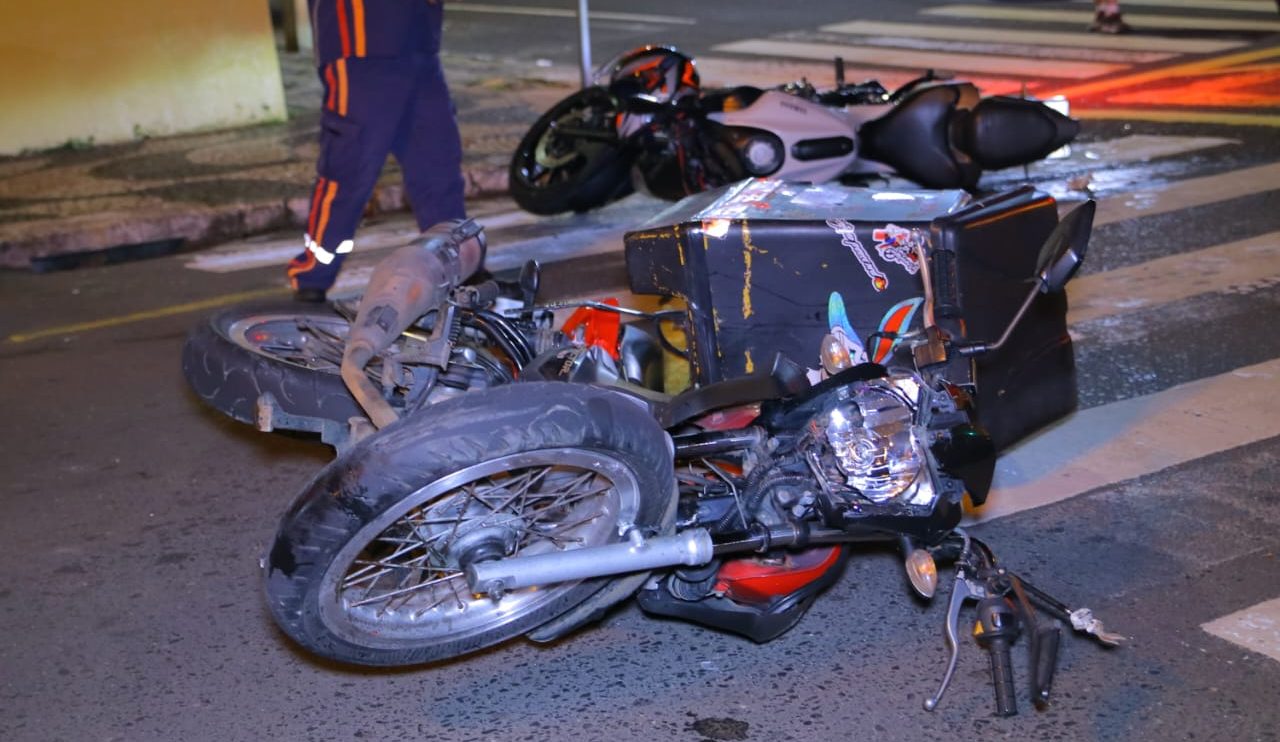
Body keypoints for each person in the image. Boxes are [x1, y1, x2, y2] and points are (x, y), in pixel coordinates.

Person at [288, 0, 467, 302]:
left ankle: (459, 265)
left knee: (439, 166)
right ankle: (313, 275)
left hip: (419, 45)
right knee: (349, 169)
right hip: (359, 46)